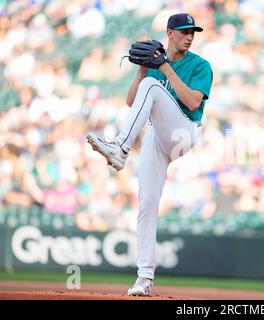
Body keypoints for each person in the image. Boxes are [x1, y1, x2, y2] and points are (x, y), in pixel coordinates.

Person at [86, 13, 213, 296]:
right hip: (158, 135)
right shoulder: (155, 68)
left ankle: (120, 149)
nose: (190, 36)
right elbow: (131, 102)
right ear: (170, 33)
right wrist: (143, 69)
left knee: (153, 87)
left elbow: (193, 101)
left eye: (193, 31)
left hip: (184, 131)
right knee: (146, 204)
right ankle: (144, 279)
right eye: (184, 31)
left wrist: (164, 69)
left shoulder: (200, 65)